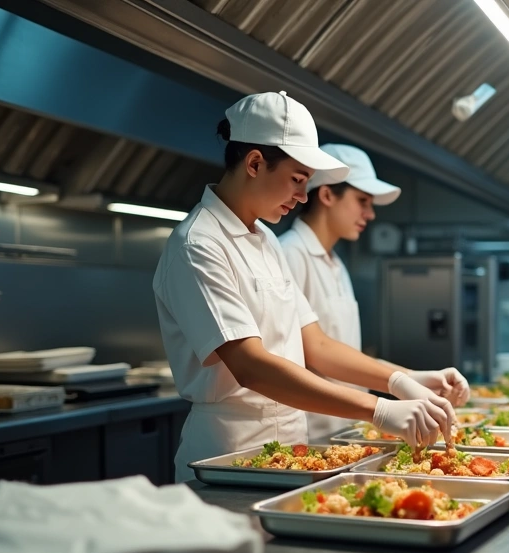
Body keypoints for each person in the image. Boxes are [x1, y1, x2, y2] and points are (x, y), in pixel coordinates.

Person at [153, 91, 456, 482]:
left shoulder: (266, 240)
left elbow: (316, 345)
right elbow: (250, 367)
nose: (301, 197)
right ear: (255, 163)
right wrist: (378, 410)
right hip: (228, 454)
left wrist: (400, 382)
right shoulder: (198, 244)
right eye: (297, 180)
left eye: (307, 182)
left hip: (292, 450)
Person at [281, 143, 470, 440]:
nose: (370, 214)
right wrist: (398, 384)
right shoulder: (291, 254)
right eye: (362, 201)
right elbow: (315, 351)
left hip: (345, 430)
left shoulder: (336, 263)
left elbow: (347, 354)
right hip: (312, 432)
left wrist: (415, 378)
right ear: (327, 194)